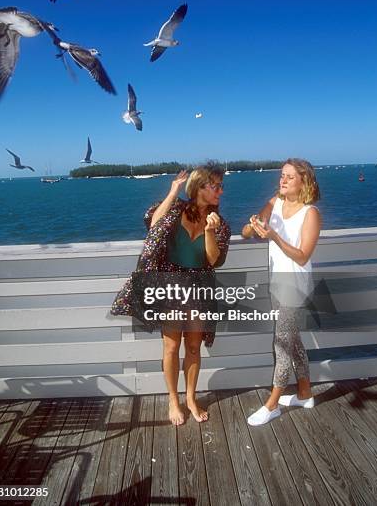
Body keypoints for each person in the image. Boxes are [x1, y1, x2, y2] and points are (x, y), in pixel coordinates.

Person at [111, 163, 231, 425]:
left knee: (193, 347)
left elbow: (213, 260)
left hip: (199, 288)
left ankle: (190, 398)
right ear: (200, 187)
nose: (221, 192)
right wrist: (173, 191)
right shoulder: (176, 209)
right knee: (171, 346)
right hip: (170, 286)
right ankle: (173, 400)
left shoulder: (220, 224)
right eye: (216, 186)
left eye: (221, 187)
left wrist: (210, 232)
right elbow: (153, 226)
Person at [242, 158, 321, 426]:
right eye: (281, 175)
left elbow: (302, 256)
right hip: (277, 281)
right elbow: (246, 233)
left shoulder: (310, 213)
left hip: (295, 285)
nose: (282, 180)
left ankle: (272, 404)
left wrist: (274, 236)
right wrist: (253, 226)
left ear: (304, 181)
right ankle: (305, 393)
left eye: (289, 176)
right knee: (293, 338)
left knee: (282, 344)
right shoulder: (274, 202)